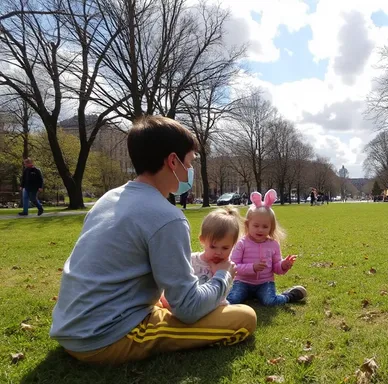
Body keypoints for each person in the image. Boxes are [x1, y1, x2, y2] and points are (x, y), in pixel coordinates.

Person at [49, 116, 256, 365]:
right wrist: (224, 275)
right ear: (172, 161)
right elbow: (188, 309)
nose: (190, 170)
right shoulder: (167, 217)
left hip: (69, 326)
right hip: (104, 337)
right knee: (245, 318)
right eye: (189, 162)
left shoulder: (108, 198)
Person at [227, 189, 307, 306]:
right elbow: (233, 266)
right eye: (256, 225)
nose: (260, 229)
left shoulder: (273, 244)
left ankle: (289, 295)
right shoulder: (242, 243)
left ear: (271, 227)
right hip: (242, 282)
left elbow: (276, 267)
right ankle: (220, 294)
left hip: (265, 283)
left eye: (265, 226)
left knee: (270, 301)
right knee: (232, 300)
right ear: (247, 225)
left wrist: (283, 265)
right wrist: (252, 267)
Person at [159, 207, 243, 308]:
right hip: (192, 308)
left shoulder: (228, 267)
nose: (218, 252)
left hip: (217, 308)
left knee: (244, 313)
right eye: (213, 247)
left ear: (234, 245)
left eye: (225, 248)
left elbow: (222, 296)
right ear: (202, 240)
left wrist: (220, 274)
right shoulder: (191, 260)